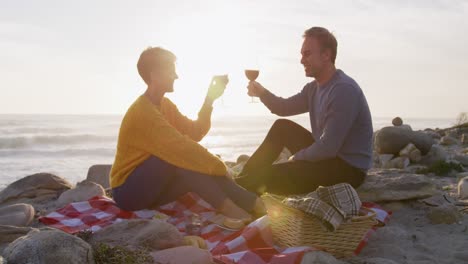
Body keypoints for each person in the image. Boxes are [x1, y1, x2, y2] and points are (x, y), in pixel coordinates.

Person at [110, 47, 264, 221]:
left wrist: (209, 99)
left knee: (190, 164)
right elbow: (181, 148)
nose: (176, 76)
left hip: (152, 189)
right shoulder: (143, 113)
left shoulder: (165, 105)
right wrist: (220, 167)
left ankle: (251, 204)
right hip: (128, 192)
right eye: (171, 71)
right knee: (181, 159)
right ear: (154, 75)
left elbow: (195, 132)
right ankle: (238, 210)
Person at [235, 27, 373, 195]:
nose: (301, 60)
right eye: (301, 54)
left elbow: (328, 147)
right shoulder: (313, 88)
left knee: (269, 176)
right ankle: (240, 183)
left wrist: (296, 158)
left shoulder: (343, 90)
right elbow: (283, 108)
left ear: (326, 55)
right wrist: (261, 93)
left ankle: (236, 190)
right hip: (328, 157)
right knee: (282, 127)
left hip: (347, 169)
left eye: (307, 54)